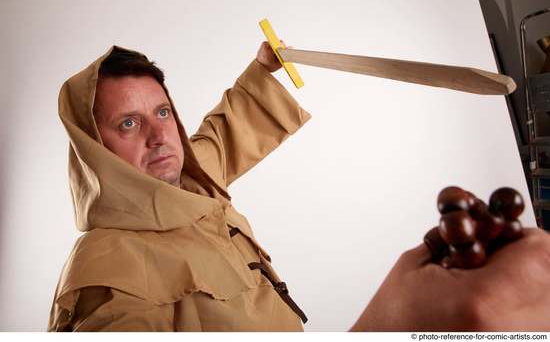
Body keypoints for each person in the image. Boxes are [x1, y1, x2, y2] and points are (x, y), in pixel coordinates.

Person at [48, 42, 550, 332]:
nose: (162, 137)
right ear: (96, 151)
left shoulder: (186, 179)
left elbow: (220, 135)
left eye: (163, 112)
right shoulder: (108, 283)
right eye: (130, 124)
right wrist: (391, 324)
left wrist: (265, 68)